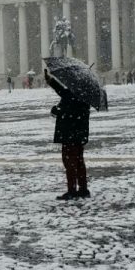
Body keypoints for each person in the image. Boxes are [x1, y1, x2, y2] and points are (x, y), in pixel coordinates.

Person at [45, 68, 91, 200]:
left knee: (69, 162)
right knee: (79, 161)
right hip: (79, 134)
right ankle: (83, 189)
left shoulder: (73, 95)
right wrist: (51, 81)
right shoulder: (83, 93)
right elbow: (63, 92)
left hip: (70, 133)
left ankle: (72, 190)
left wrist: (56, 110)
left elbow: (67, 110)